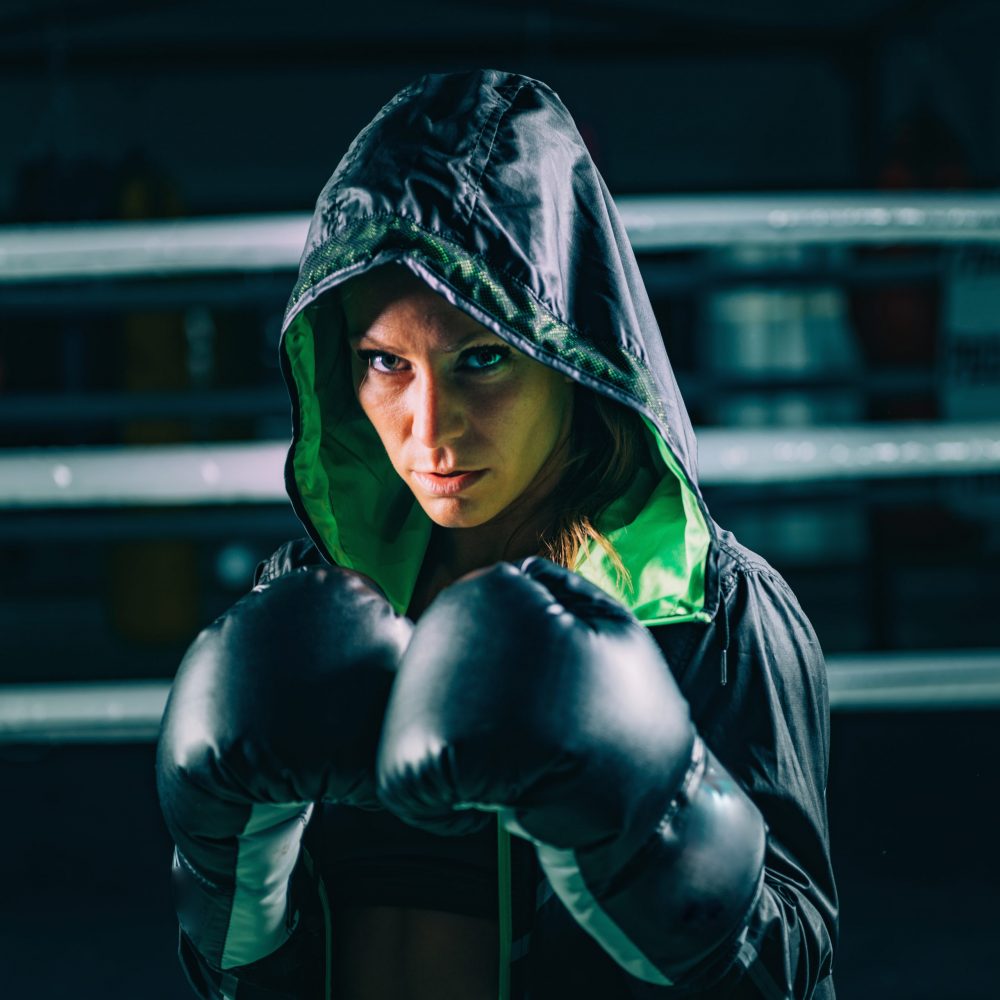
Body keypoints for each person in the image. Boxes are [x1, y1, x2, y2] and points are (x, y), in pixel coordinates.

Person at [156, 69, 838, 999]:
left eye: (482, 360)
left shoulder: (711, 612)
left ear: (572, 355)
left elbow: (794, 973)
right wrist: (224, 869)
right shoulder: (312, 596)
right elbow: (233, 974)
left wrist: (655, 816)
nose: (430, 429)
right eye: (385, 363)